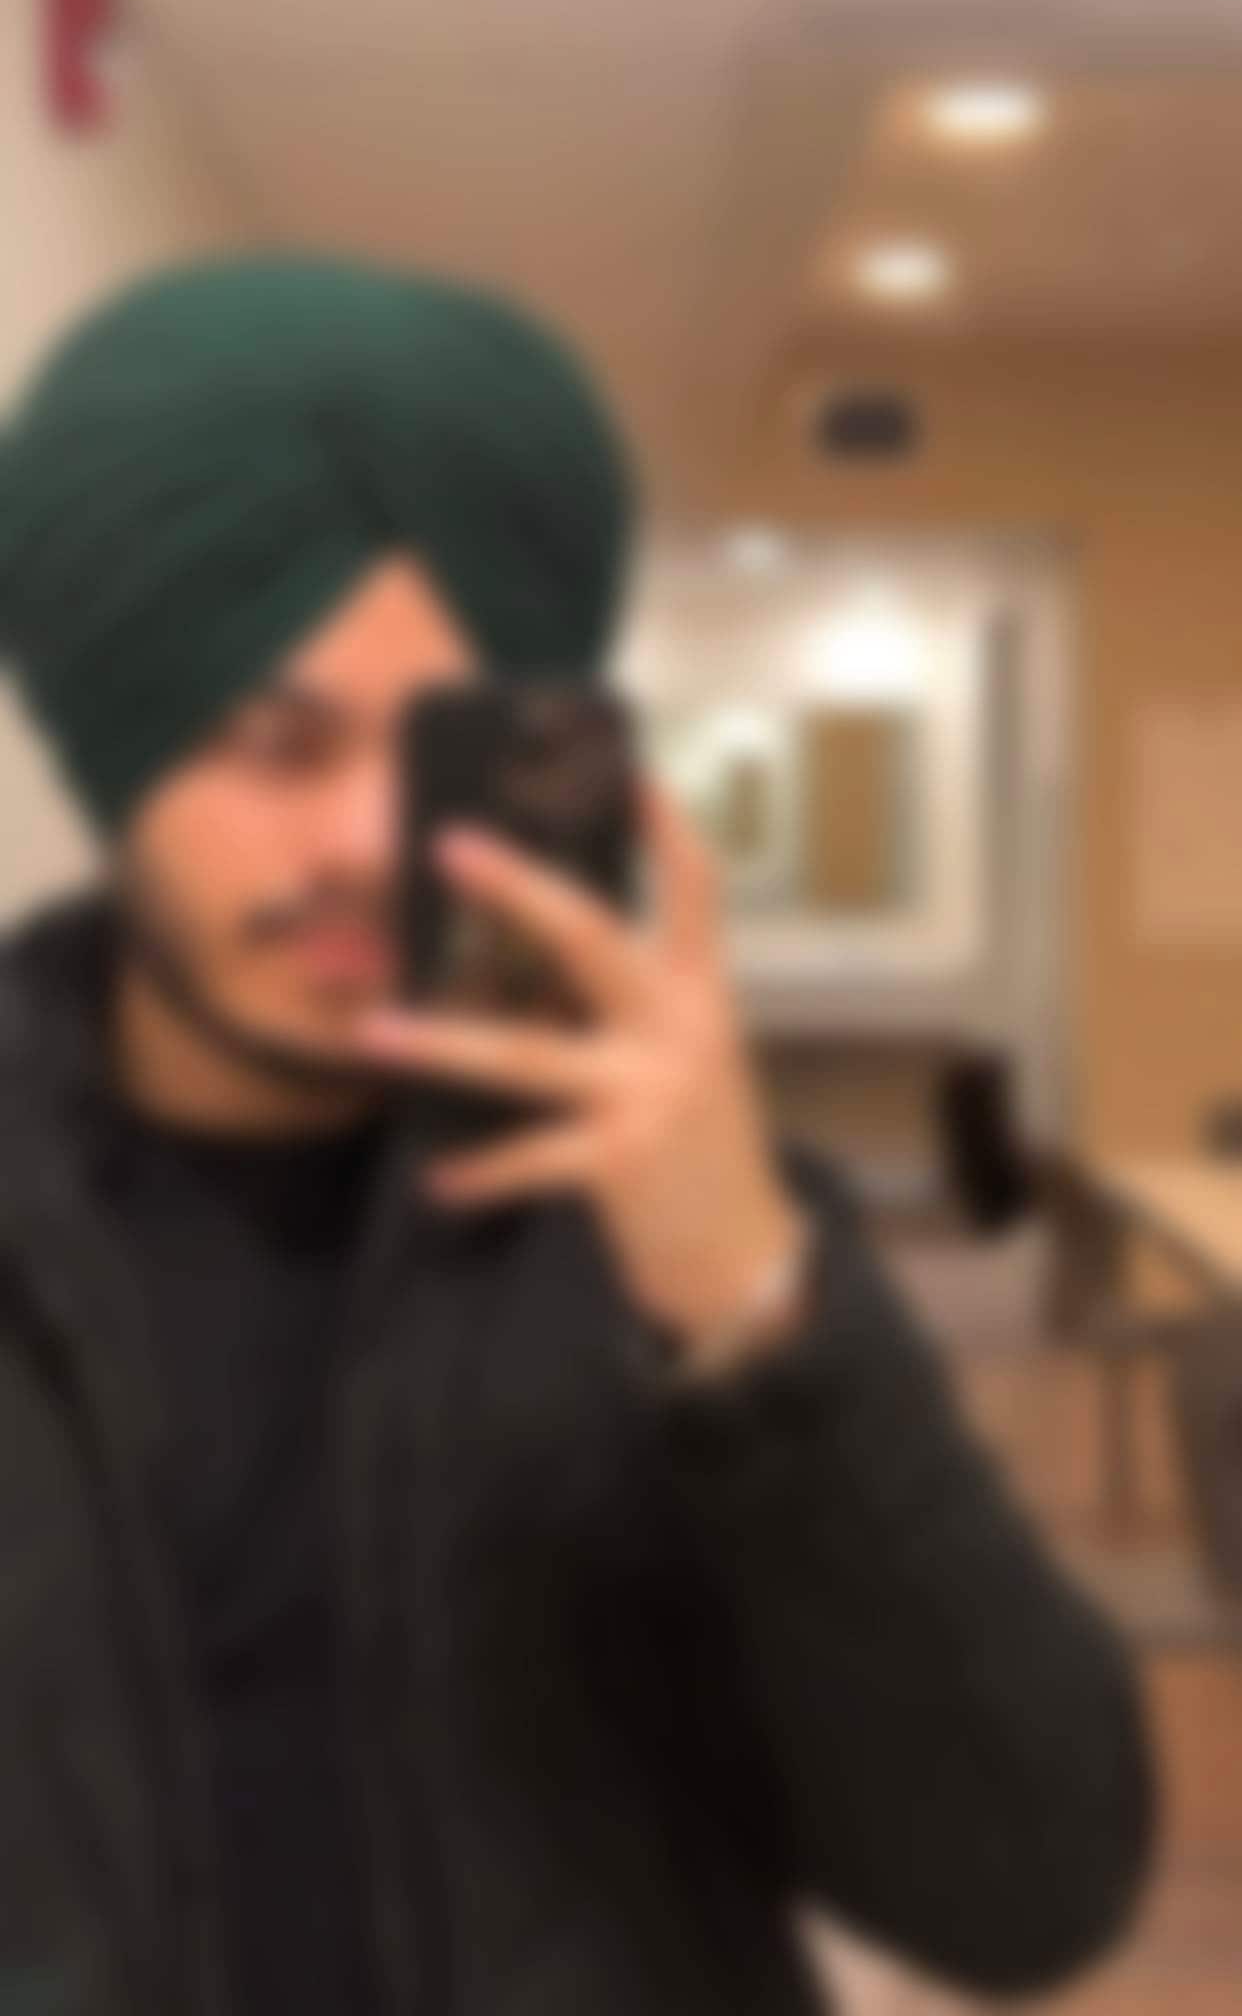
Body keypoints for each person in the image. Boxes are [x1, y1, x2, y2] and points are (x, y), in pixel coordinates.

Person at [0, 256, 1152, 2016]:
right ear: (114, 753)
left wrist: (755, 1322)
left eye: (444, 748)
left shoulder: (678, 1237)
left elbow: (1032, 1895)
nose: (369, 841)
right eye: (272, 745)